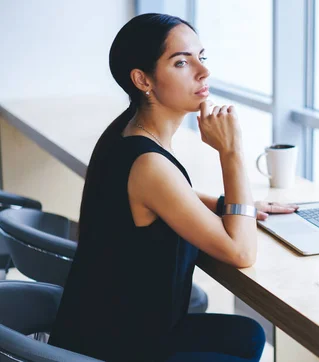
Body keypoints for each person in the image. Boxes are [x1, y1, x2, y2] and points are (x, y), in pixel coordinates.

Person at [48, 13, 298, 361]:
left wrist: (234, 205)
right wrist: (232, 152)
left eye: (201, 57)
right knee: (244, 341)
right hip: (119, 349)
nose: (203, 71)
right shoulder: (149, 163)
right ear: (142, 80)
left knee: (247, 335)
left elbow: (168, 196)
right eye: (181, 62)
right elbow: (241, 253)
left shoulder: (126, 135)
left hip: (108, 329)